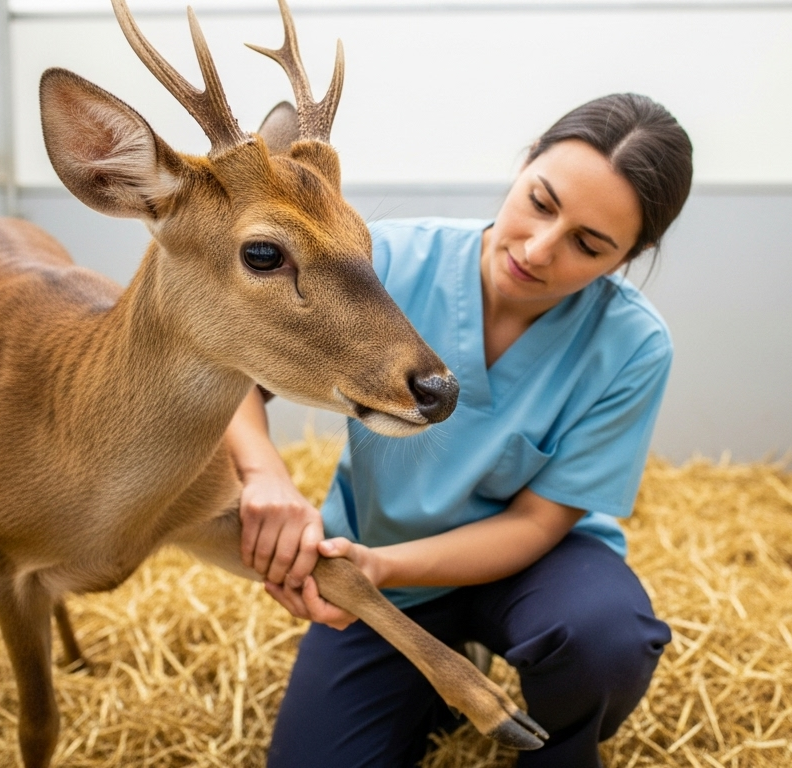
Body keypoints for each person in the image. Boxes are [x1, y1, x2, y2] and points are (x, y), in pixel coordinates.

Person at [223, 93, 694, 768]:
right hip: (386, 580)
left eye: (588, 245)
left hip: (535, 572)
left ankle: (559, 752)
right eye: (540, 201)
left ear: (628, 257)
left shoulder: (632, 344)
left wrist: (381, 567)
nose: (537, 249)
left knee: (604, 637)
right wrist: (265, 475)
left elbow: (536, 525)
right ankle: (435, 684)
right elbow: (234, 369)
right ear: (525, 163)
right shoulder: (382, 260)